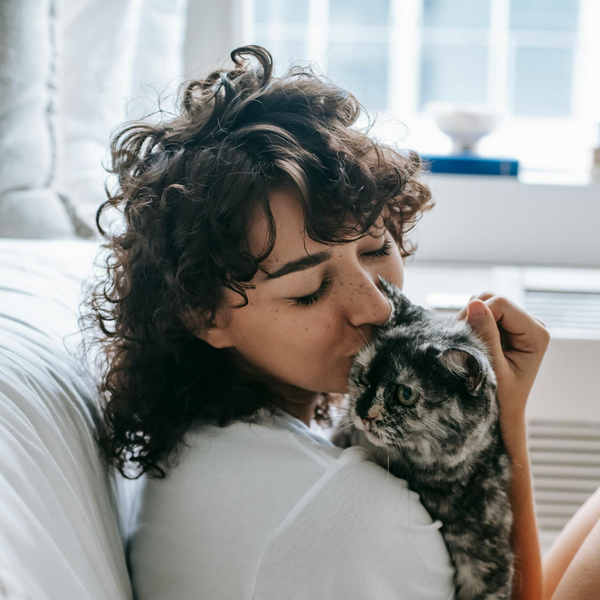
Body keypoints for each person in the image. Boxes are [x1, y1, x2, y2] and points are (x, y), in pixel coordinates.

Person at [81, 45, 600, 599]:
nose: (375, 307)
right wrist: (501, 420)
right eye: (309, 290)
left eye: (377, 249)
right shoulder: (358, 517)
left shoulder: (205, 440)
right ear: (202, 315)